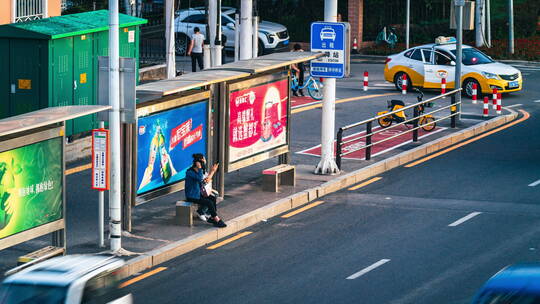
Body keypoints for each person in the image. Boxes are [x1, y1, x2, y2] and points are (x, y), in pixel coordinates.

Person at [185, 154, 226, 228]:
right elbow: (200, 179)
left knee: (213, 198)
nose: (204, 162)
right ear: (198, 162)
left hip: (199, 194)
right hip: (192, 195)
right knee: (209, 202)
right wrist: (200, 168)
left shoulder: (200, 171)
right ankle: (216, 219)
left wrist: (212, 171)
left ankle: (212, 217)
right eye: (203, 161)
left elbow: (204, 181)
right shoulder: (190, 172)